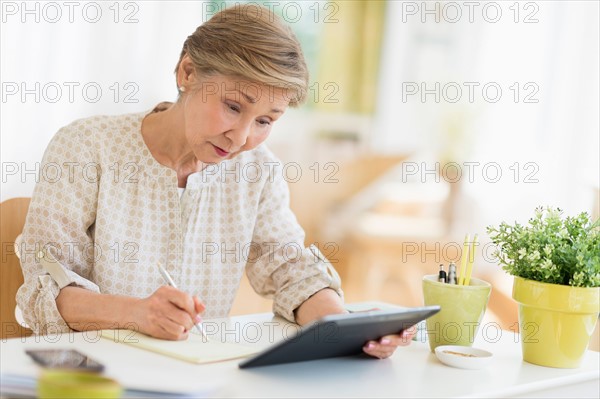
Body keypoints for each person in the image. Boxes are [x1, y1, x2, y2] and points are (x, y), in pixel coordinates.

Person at [16, 4, 414, 359]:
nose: (241, 138)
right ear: (187, 72)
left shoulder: (257, 171)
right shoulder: (86, 146)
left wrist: (347, 329)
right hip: (88, 376)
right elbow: (43, 291)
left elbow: (292, 272)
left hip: (198, 378)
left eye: (264, 121)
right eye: (232, 106)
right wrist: (137, 313)